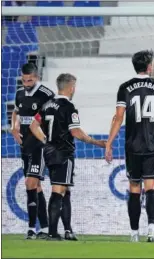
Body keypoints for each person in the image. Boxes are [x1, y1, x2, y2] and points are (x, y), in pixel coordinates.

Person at [105, 50, 154, 243]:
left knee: (134, 187)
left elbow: (118, 117)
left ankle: (134, 233)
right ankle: (152, 230)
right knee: (151, 186)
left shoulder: (125, 87)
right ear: (149, 67)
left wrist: (109, 144)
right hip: (153, 145)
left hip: (133, 145)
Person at [29, 73, 106, 240]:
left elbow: (33, 125)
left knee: (65, 190)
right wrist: (96, 142)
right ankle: (52, 233)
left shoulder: (47, 104)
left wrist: (45, 140)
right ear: (71, 87)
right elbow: (76, 132)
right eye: (74, 86)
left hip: (49, 152)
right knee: (58, 191)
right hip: (63, 152)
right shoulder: (68, 107)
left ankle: (68, 230)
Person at [11, 63, 54, 239]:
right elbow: (16, 112)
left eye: (30, 79)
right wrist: (14, 127)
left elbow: (53, 117)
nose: (26, 82)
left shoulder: (46, 94)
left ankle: (31, 229)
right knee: (36, 187)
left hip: (40, 146)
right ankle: (44, 227)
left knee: (30, 183)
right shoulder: (19, 93)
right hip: (25, 145)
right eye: (24, 79)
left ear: (36, 77)